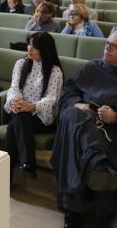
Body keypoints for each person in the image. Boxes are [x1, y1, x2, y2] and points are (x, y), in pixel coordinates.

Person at [51, 32, 117, 228]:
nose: (107, 48)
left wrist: (115, 117)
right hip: (80, 121)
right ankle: (97, 163)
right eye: (107, 43)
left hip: (109, 130)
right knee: (74, 114)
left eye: (114, 46)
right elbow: (67, 92)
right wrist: (78, 104)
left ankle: (72, 211)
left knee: (75, 141)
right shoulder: (92, 67)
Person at [5, 32, 63, 179]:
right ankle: (28, 163)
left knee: (13, 126)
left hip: (41, 117)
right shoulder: (21, 64)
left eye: (34, 46)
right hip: (20, 110)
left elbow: (51, 98)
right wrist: (14, 101)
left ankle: (6, 178)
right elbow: (14, 88)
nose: (29, 49)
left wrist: (32, 106)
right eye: (29, 44)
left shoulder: (55, 71)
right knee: (19, 117)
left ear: (44, 49)